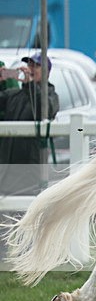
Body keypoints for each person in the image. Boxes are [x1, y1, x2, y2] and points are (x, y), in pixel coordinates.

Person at [0, 52, 59, 195]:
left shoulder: (51, 95)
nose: (31, 69)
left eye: (36, 66)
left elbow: (43, 110)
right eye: (29, 65)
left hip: (29, 172)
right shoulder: (14, 95)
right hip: (6, 172)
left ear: (47, 72)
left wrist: (30, 86)